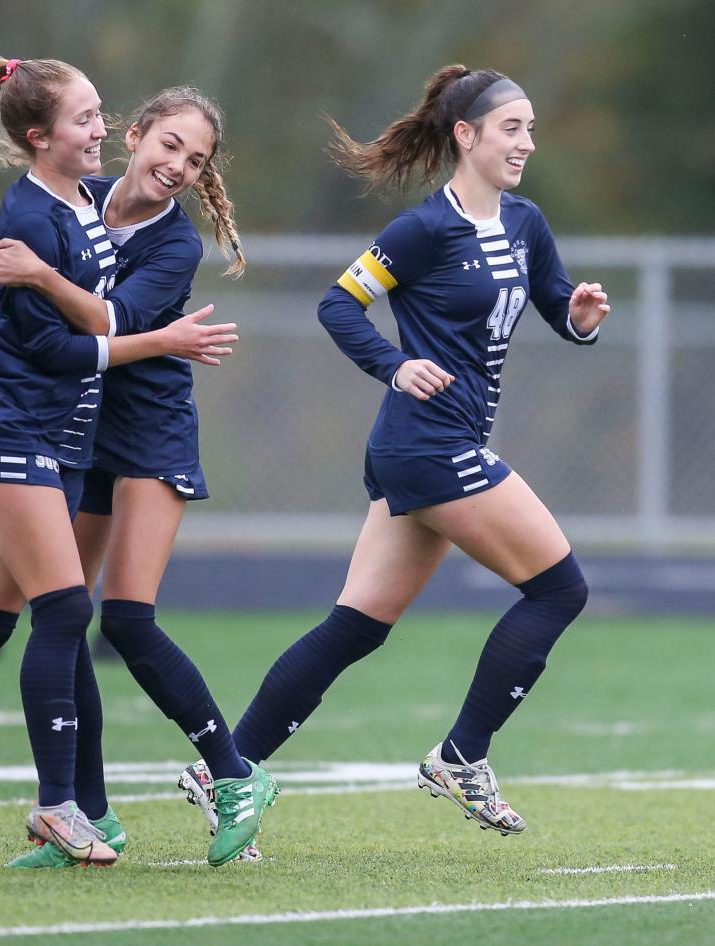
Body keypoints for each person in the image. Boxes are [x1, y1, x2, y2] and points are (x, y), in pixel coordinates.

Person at [181, 65, 610, 840]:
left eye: (532, 130)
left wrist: (580, 317)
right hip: (426, 445)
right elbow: (337, 303)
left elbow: (556, 308)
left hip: (439, 447)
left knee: (357, 626)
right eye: (512, 129)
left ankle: (228, 768)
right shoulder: (423, 229)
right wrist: (393, 363)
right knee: (560, 590)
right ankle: (461, 755)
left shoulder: (526, 223)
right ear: (466, 135)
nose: (527, 144)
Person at [0, 57, 242, 868]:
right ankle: (87, 814)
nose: (178, 165)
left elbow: (107, 321)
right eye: (169, 143)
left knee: (119, 618)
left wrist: (50, 281)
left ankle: (233, 775)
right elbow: (10, 262)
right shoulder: (79, 190)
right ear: (135, 136)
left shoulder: (174, 244)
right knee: (52, 617)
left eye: (196, 160)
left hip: (144, 428)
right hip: (77, 427)